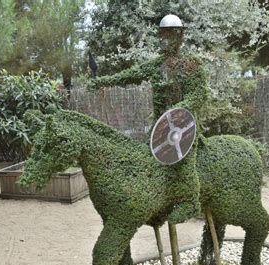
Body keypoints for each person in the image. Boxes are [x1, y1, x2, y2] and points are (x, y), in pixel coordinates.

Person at [88, 14, 209, 224]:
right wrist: (102, 82)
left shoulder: (192, 65)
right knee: (147, 159)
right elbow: (129, 75)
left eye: (171, 35)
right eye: (163, 36)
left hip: (184, 127)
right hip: (161, 127)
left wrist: (179, 109)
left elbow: (199, 95)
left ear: (180, 36)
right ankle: (155, 202)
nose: (167, 40)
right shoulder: (155, 66)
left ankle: (190, 202)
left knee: (184, 160)